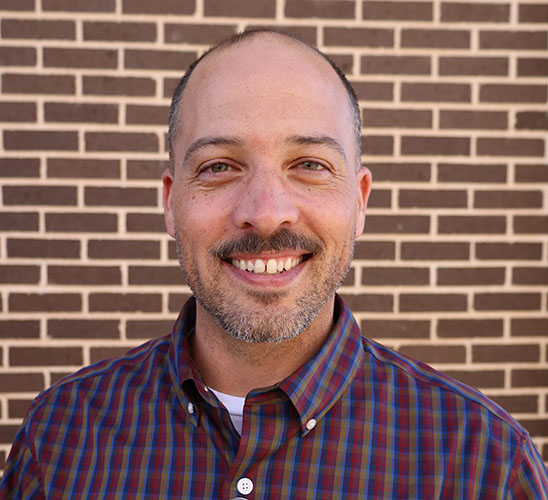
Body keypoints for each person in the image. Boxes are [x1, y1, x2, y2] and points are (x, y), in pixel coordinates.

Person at [1, 29, 547, 500]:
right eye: (219, 166)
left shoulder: (484, 465)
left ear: (360, 202)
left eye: (309, 164)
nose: (265, 214)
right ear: (171, 202)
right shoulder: (60, 441)